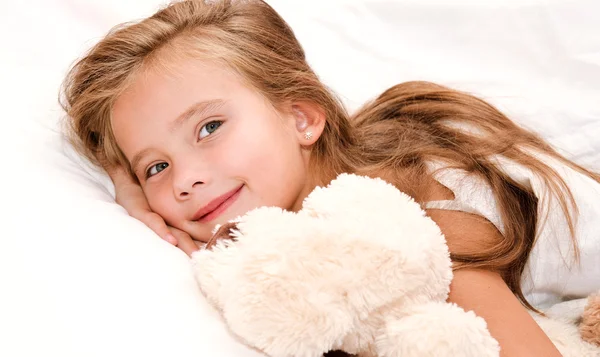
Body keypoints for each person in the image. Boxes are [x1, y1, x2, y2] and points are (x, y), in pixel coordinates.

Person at [60, 0, 600, 356]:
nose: (184, 181)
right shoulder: (295, 230)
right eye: (156, 167)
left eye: (209, 127)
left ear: (301, 117)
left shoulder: (405, 213)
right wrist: (136, 202)